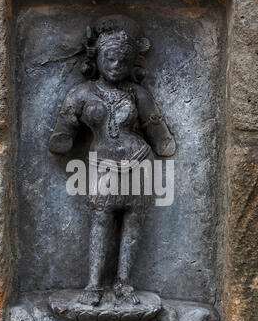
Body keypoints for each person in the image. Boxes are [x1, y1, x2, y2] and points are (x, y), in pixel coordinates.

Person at [49, 15, 176, 306]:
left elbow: (158, 133)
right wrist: (63, 137)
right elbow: (62, 134)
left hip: (139, 162)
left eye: (123, 60)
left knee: (133, 222)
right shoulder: (80, 94)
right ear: (97, 57)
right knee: (100, 219)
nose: (116, 66)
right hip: (101, 165)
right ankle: (93, 285)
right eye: (110, 58)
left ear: (133, 62)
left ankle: (124, 283)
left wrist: (162, 140)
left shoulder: (138, 94)